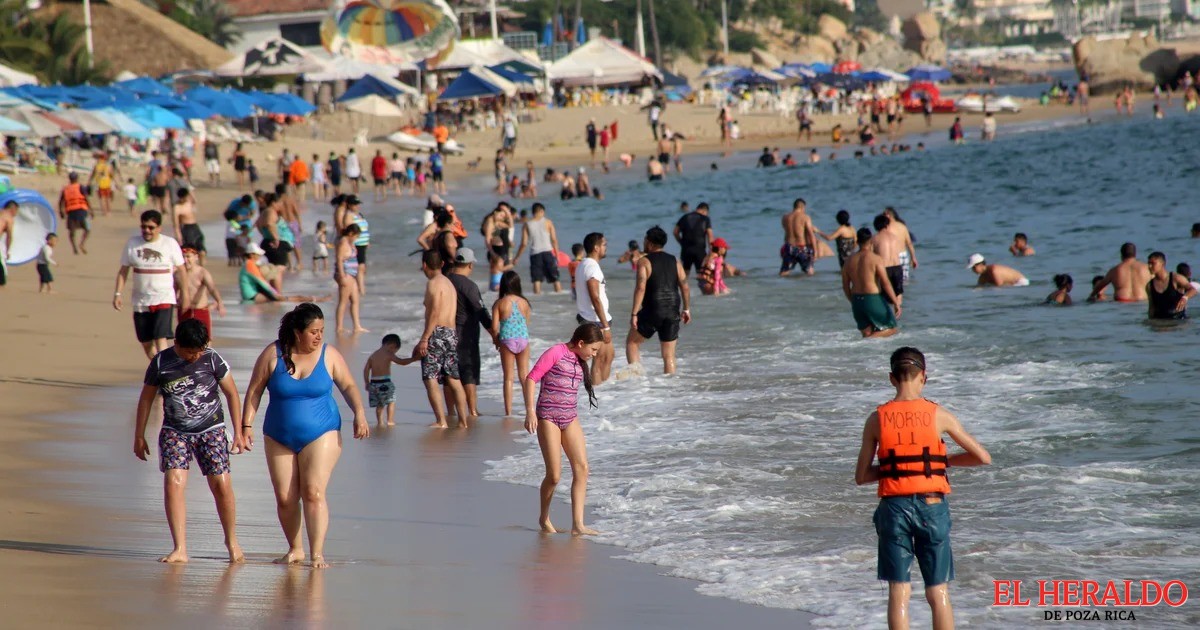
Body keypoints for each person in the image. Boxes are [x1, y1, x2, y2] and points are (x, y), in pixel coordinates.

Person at [854, 347, 992, 630]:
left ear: (892, 378)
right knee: (938, 590)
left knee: (899, 591)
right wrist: (941, 462)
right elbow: (982, 457)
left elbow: (862, 476)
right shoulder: (938, 414)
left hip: (894, 508)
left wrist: (899, 468)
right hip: (932, 506)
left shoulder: (876, 419)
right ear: (924, 377)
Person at [241, 303, 369, 568]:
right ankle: (295, 549)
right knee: (286, 498)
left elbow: (348, 385)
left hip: (321, 432)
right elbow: (254, 391)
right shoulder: (273, 354)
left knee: (313, 491)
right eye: (313, 331)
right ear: (297, 332)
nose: (319, 336)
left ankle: (317, 553)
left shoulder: (329, 354)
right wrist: (245, 426)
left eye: (322, 330)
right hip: (278, 434)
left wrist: (359, 412)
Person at [135, 319, 245, 564]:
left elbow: (232, 394)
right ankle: (180, 548)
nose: (195, 356)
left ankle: (232, 541)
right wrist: (139, 435)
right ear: (177, 344)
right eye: (190, 352)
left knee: (221, 485)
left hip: (212, 429)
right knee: (173, 483)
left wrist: (238, 432)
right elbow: (146, 399)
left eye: (199, 351)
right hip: (175, 431)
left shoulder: (212, 358)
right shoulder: (161, 363)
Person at [521, 323, 604, 536]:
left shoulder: (579, 359)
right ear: (581, 343)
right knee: (555, 475)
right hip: (548, 417)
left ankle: (578, 525)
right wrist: (530, 412)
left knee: (582, 468)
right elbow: (531, 378)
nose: (594, 355)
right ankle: (544, 517)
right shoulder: (556, 352)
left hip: (570, 418)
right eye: (593, 350)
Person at [114, 210, 190, 359]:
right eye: (143, 227)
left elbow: (181, 270)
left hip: (163, 298)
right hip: (140, 301)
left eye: (151, 227)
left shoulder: (169, 244)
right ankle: (159, 369)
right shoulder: (132, 244)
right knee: (146, 342)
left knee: (160, 338)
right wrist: (117, 294)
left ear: (159, 228)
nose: (146, 231)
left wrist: (185, 294)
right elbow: (123, 271)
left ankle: (166, 374)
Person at [627, 226, 691, 375]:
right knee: (669, 355)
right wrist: (686, 309)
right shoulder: (675, 260)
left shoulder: (644, 261)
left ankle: (637, 382)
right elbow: (685, 287)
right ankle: (669, 388)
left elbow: (640, 288)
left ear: (649, 243)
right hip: (673, 308)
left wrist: (634, 314)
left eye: (645, 240)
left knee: (632, 343)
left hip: (653, 308)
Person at [417, 250, 470, 429]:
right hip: (451, 333)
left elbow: (434, 312)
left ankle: (441, 421)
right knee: (453, 378)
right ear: (441, 264)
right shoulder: (448, 283)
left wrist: (425, 338)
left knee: (430, 377)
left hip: (437, 333)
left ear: (425, 265)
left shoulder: (433, 284)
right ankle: (463, 421)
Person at [447, 248, 495, 418]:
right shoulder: (469, 286)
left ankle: (451, 411)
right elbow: (481, 311)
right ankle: (472, 410)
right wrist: (494, 334)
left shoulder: (445, 280)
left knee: (450, 372)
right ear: (470, 264)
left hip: (445, 332)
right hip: (465, 334)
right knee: (468, 372)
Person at [842, 228, 902, 338]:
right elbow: (885, 283)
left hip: (856, 299)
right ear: (871, 241)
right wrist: (895, 302)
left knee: (866, 333)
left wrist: (853, 301)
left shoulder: (848, 261)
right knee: (892, 328)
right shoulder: (875, 259)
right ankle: (867, 341)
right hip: (872, 298)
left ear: (857, 241)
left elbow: (845, 286)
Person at [575, 232, 615, 384]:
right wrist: (605, 327)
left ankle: (602, 392)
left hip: (591, 317)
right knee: (600, 360)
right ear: (596, 248)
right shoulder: (591, 267)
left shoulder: (585, 264)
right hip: (595, 320)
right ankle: (598, 395)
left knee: (608, 356)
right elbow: (595, 297)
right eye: (604, 245)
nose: (606, 248)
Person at [363, 333, 418, 426]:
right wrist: (413, 359)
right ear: (392, 345)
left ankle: (380, 422)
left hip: (373, 383)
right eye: (395, 350)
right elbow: (401, 362)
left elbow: (366, 369)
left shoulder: (373, 355)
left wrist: (366, 382)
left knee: (380, 404)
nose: (394, 352)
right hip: (385, 383)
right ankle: (390, 420)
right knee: (391, 401)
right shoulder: (389, 354)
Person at [513, 203, 562, 295]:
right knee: (555, 278)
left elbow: (523, 244)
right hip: (548, 252)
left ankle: (537, 302)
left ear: (533, 212)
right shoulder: (548, 222)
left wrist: (517, 258)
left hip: (535, 254)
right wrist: (557, 255)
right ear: (541, 211)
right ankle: (559, 298)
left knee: (536, 279)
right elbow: (554, 240)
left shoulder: (527, 224)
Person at [180, 247, 226, 337]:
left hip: (201, 310)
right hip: (184, 311)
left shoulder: (202, 272)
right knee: (184, 340)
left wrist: (220, 302)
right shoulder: (178, 273)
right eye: (183, 257)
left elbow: (212, 288)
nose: (185, 260)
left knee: (205, 340)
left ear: (196, 257)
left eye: (188, 257)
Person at [333, 223, 367, 335]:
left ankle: (357, 326)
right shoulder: (343, 242)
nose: (356, 239)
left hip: (352, 274)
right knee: (343, 301)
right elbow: (339, 259)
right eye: (356, 236)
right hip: (346, 274)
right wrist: (342, 275)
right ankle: (339, 327)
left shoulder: (349, 243)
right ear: (351, 233)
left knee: (355, 300)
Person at [1146, 252, 1196, 320]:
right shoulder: (1149, 285)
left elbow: (1193, 289)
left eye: (1153, 263)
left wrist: (1185, 298)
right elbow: (1151, 308)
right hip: (1159, 323)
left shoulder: (1176, 278)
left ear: (1163, 264)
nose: (1149, 266)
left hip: (1178, 321)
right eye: (1148, 263)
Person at [780, 198, 818, 277]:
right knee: (810, 272)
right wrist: (816, 252)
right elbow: (811, 235)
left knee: (784, 273)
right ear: (802, 207)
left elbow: (786, 231)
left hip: (789, 247)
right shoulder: (805, 217)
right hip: (801, 247)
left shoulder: (785, 217)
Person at [674, 202, 713, 277]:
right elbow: (710, 236)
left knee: (684, 274)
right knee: (701, 275)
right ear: (705, 210)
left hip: (686, 250)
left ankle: (682, 288)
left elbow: (675, 232)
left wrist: (681, 242)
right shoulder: (706, 219)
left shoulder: (684, 217)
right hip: (700, 250)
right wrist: (711, 252)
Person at [171, 187, 206, 266]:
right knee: (189, 251)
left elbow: (194, 199)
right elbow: (176, 224)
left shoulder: (189, 201)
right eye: (184, 197)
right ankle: (190, 267)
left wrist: (189, 189)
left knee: (202, 252)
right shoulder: (177, 207)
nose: (186, 199)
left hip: (195, 227)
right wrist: (178, 235)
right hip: (186, 229)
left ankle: (201, 268)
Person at [59, 172, 91, 255]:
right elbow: (86, 198)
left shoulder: (65, 189)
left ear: (70, 179)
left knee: (72, 231)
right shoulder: (81, 187)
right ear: (77, 178)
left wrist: (61, 212)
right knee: (87, 229)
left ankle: (74, 248)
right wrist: (91, 210)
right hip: (81, 210)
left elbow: (61, 202)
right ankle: (82, 244)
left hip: (71, 211)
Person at [345, 197, 371, 296]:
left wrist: (367, 240)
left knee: (362, 267)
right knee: (360, 267)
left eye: (358, 204)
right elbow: (349, 231)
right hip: (356, 244)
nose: (357, 206)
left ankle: (359, 288)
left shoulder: (359, 215)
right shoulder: (349, 215)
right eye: (355, 204)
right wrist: (351, 244)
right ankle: (361, 289)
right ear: (350, 205)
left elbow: (364, 228)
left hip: (363, 244)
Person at [0, 199, 18, 288]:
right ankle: (1, 283)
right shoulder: (9, 218)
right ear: (13, 209)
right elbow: (9, 236)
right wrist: (8, 251)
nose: (16, 214)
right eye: (16, 211)